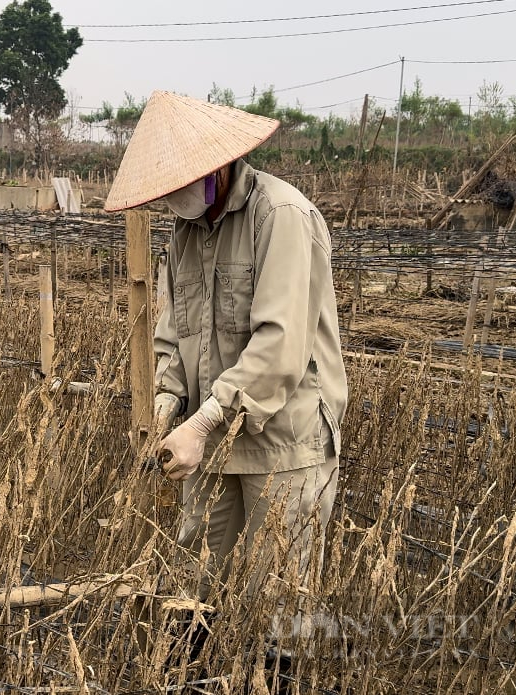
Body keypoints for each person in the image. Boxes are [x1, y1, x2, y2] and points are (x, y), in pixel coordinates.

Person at [105, 91, 347, 669]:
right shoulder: (186, 229)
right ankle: (192, 678)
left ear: (216, 165)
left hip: (282, 441)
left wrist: (206, 418)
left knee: (279, 590)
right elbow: (174, 325)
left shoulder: (281, 217)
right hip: (207, 442)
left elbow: (279, 343)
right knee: (194, 576)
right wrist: (166, 404)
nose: (171, 197)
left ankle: (278, 681)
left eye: (178, 182)